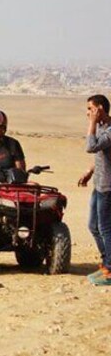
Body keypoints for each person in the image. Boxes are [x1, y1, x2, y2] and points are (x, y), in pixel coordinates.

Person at [77, 94, 111, 286]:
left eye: (90, 109)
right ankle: (107, 264)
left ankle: (110, 269)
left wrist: (91, 123)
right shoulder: (102, 127)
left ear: (100, 109)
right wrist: (90, 171)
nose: (88, 113)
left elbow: (91, 146)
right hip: (99, 183)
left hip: (108, 187)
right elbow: (100, 154)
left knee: (106, 228)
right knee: (93, 226)